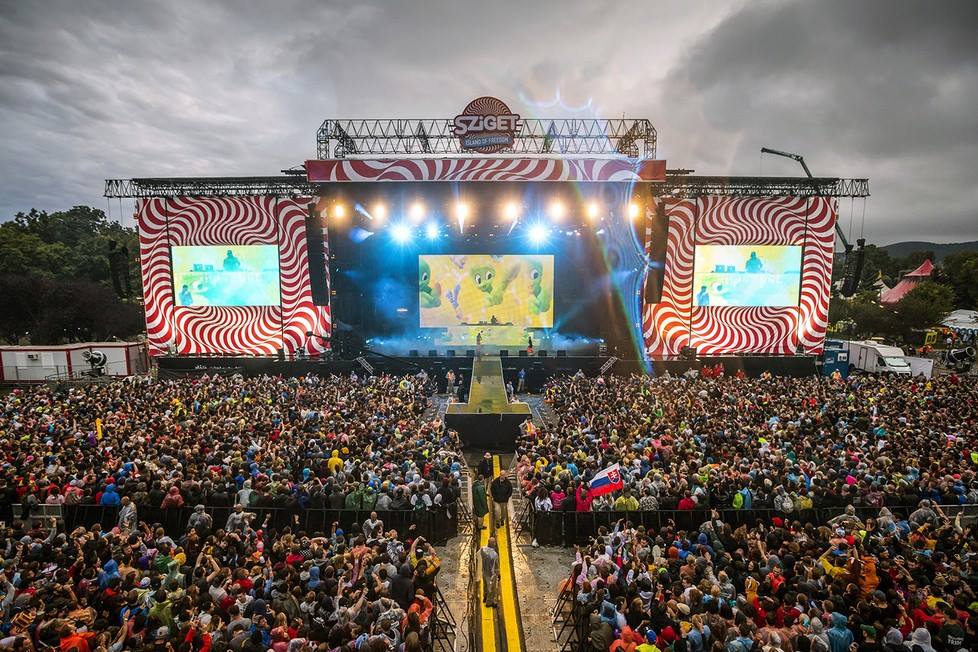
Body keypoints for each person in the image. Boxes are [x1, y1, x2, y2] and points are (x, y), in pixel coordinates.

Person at [479, 537, 500, 607]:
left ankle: (485, 596)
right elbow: (496, 567)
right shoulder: (494, 555)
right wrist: (498, 574)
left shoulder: (482, 549)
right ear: (494, 544)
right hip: (491, 575)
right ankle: (489, 602)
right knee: (491, 589)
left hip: (484, 571)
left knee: (485, 585)